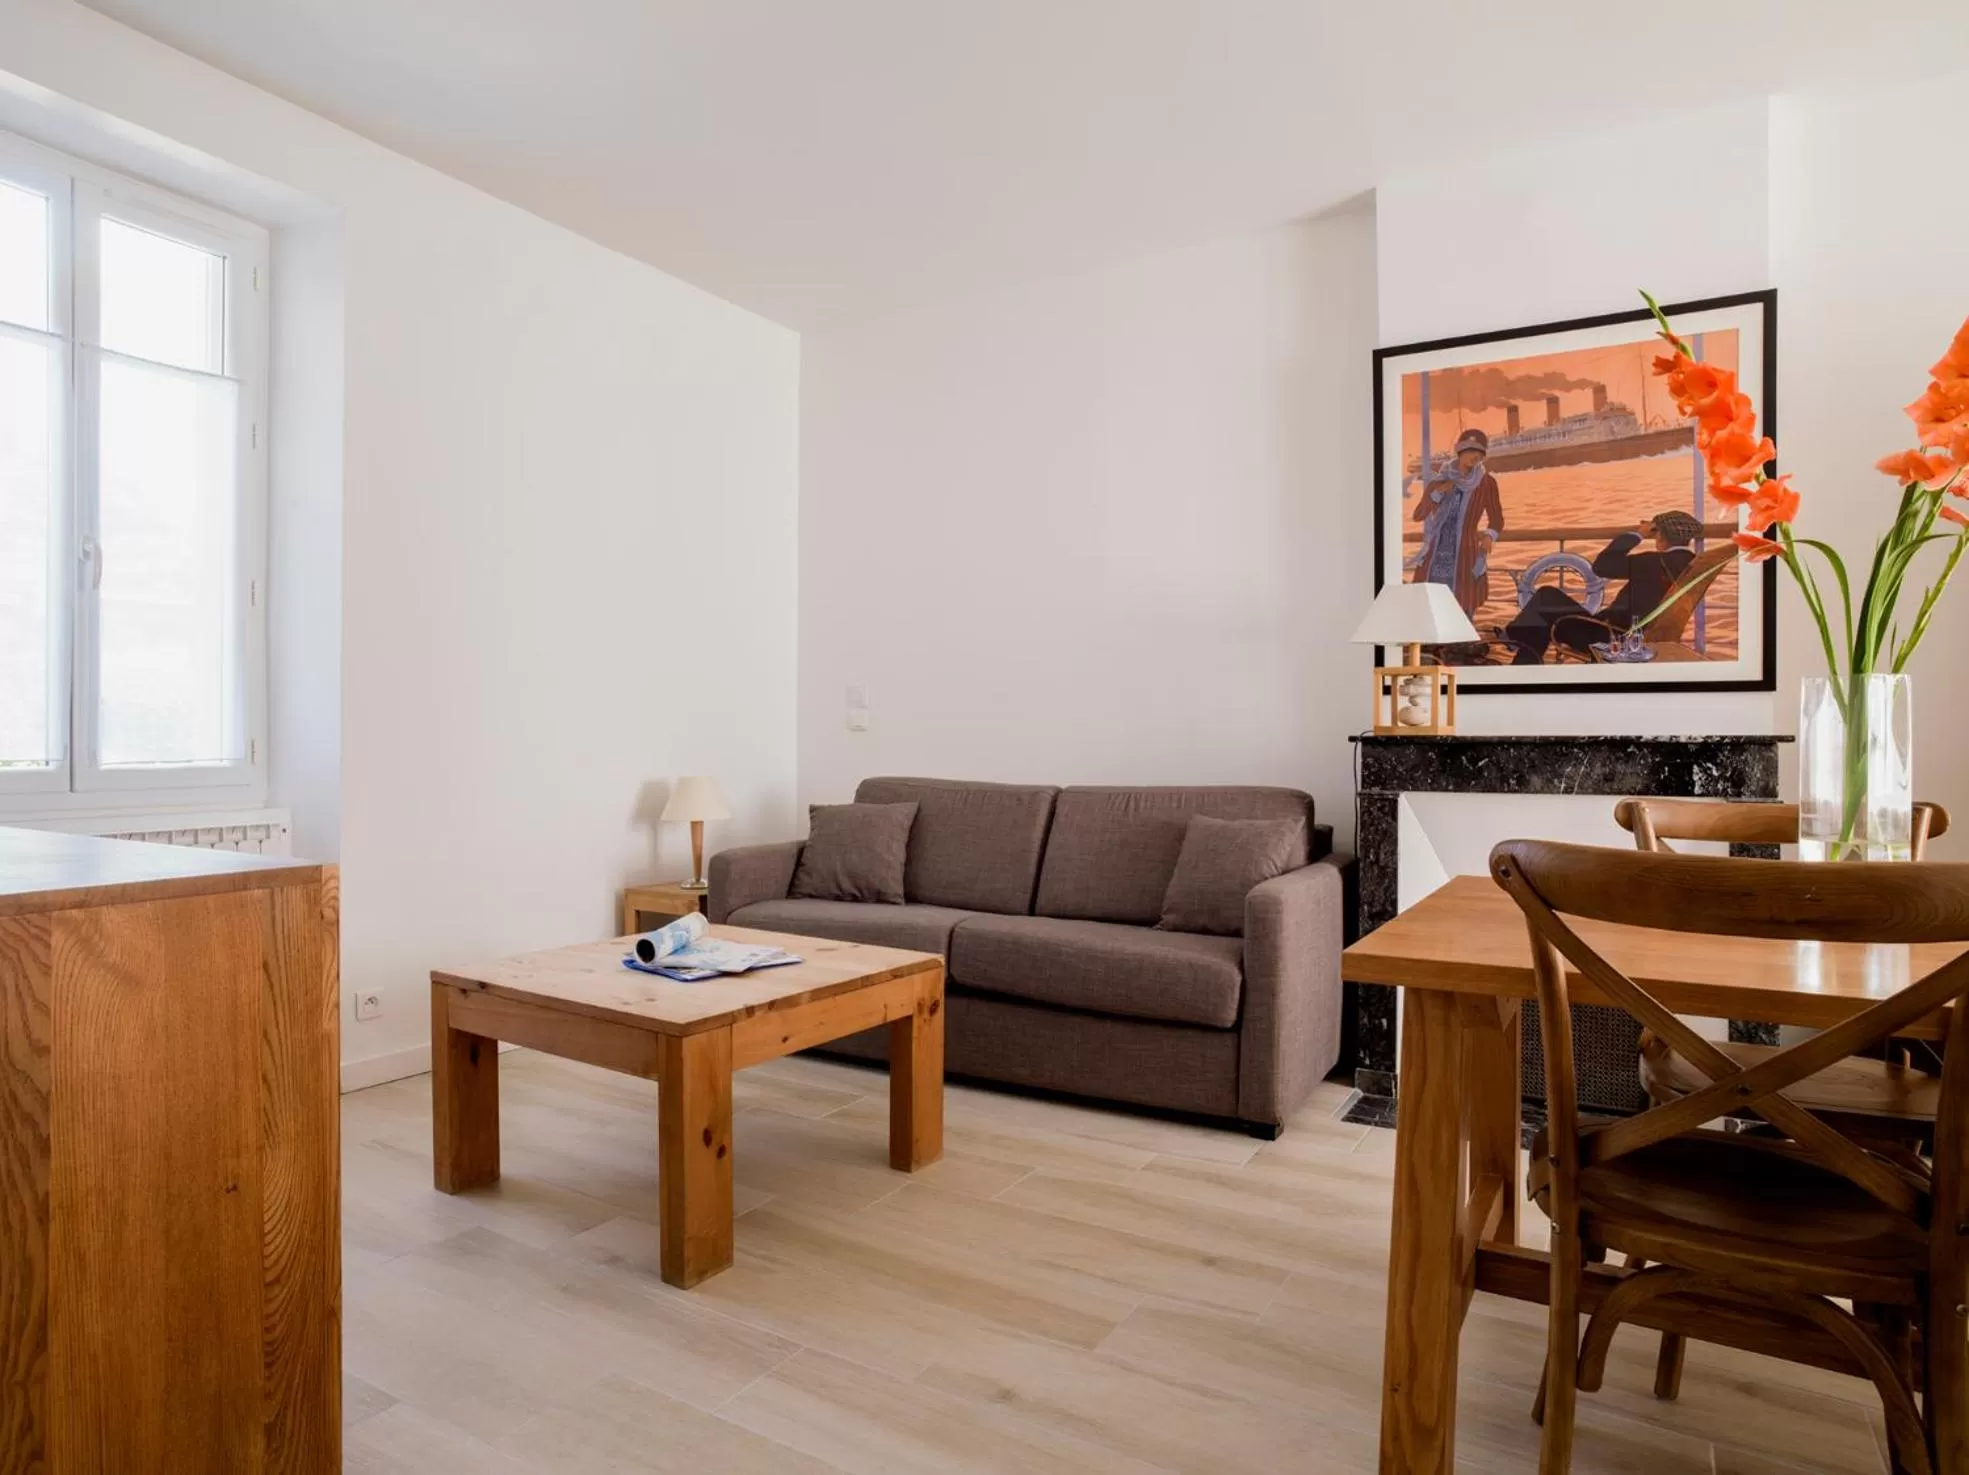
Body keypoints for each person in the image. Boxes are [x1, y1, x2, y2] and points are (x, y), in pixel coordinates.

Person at [1504, 508, 1704, 664]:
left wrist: (1638, 534)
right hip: (1638, 637)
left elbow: (1602, 566)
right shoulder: (1693, 565)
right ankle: (1518, 651)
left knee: (1547, 597)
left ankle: (1513, 641)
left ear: (1659, 535)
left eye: (1656, 532)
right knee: (1541, 619)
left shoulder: (1652, 562)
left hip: (1612, 639)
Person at [1411, 429, 1503, 620]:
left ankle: (1459, 647)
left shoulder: (1486, 483)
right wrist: (1438, 494)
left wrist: (1489, 535)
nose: (1475, 457)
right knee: (1431, 604)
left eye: (1479, 454)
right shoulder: (1439, 481)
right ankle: (1433, 646)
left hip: (1465, 552)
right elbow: (1418, 515)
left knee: (1464, 603)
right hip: (1436, 553)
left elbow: (1497, 519)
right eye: (1470, 451)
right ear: (1459, 451)